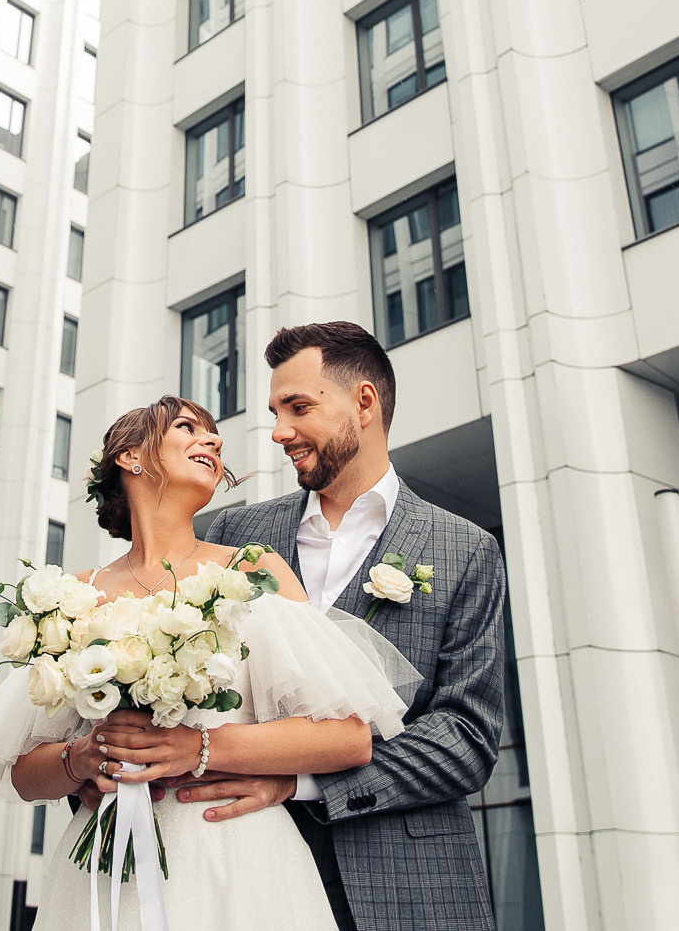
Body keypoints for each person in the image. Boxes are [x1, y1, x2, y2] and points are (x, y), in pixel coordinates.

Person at [0, 395, 418, 931]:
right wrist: (81, 757)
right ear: (130, 457)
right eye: (186, 427)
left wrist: (196, 748)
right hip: (106, 875)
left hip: (236, 856)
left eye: (214, 434)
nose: (214, 440)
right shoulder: (74, 596)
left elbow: (348, 738)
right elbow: (22, 775)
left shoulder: (252, 571)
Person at [189, 321, 508, 931]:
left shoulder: (465, 549)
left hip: (412, 889)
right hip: (248, 873)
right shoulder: (233, 536)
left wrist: (301, 780)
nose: (279, 432)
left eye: (298, 408)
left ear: (364, 403)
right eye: (275, 412)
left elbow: (466, 737)